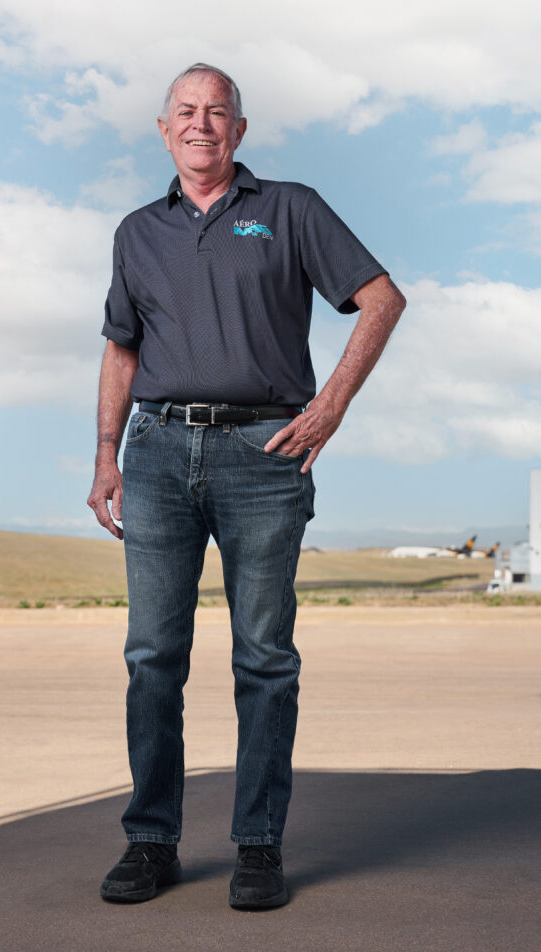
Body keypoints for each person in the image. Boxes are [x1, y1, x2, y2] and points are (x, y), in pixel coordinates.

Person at [87, 63, 406, 909]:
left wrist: (328, 407)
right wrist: (106, 455)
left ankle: (258, 847)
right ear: (164, 130)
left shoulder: (290, 209)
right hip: (157, 453)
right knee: (152, 656)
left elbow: (381, 299)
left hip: (263, 456)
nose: (201, 124)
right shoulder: (136, 231)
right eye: (186, 112)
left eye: (217, 111)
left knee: (263, 657)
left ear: (239, 129)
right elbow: (121, 348)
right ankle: (150, 842)